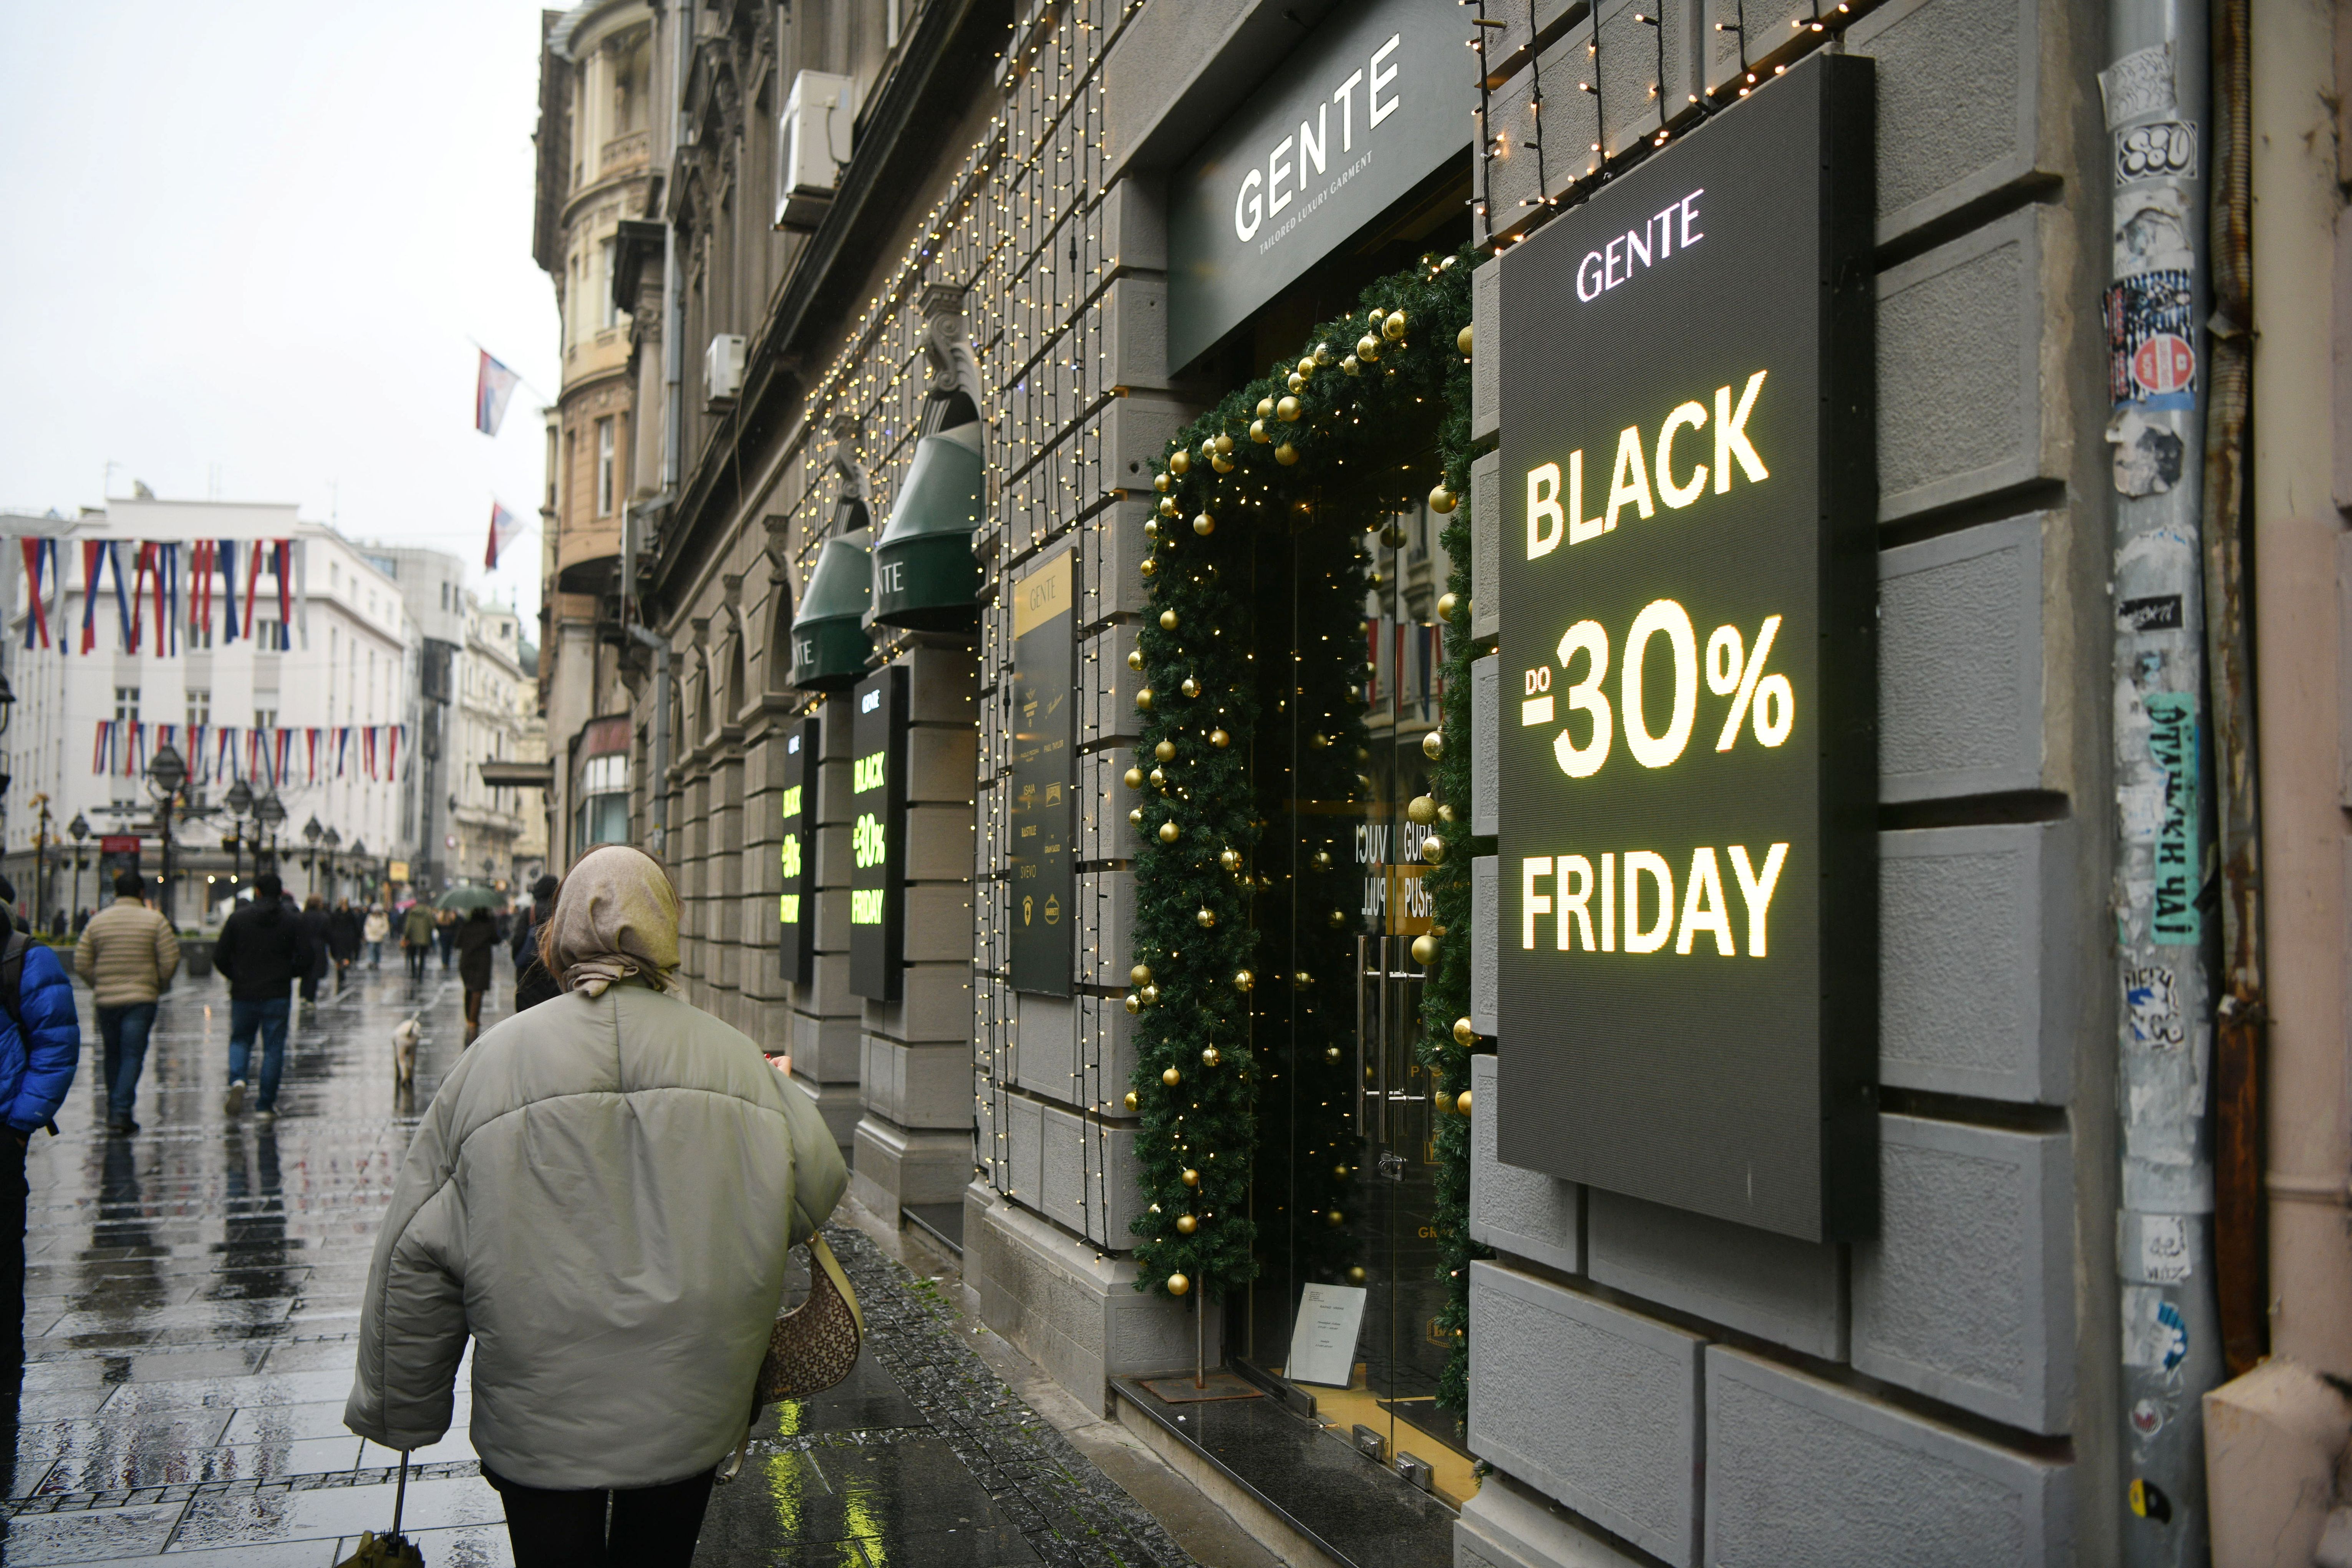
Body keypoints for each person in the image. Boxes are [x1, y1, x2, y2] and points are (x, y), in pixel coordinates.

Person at [346, 846, 845, 1568]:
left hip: (540, 1413)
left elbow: (413, 1253)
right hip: (689, 1400)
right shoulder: (734, 1058)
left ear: (560, 932)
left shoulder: (490, 1065)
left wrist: (402, 1406)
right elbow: (817, 1186)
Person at [0, 909, 79, 1394]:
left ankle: (6, 1365)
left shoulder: (25, 958)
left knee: (4, 1255)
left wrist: (18, 1123)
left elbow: (57, 1044)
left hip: (2, 1127)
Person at [72, 871, 181, 1136]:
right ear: (142, 893)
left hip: (107, 1001)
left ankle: (115, 1109)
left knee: (113, 1054)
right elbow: (170, 960)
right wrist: (157, 983)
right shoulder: (155, 921)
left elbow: (81, 962)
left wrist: (99, 984)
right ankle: (121, 1112)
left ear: (116, 893)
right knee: (132, 1054)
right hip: (141, 1000)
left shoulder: (98, 922)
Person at [214, 873, 313, 1122]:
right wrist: (289, 973)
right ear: (280, 894)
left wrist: (236, 975)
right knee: (273, 1048)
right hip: (277, 993)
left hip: (244, 993)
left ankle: (238, 1079)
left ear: (257, 892)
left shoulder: (238, 920)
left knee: (240, 1040)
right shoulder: (292, 922)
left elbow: (220, 956)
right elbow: (306, 957)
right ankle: (265, 1105)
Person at [512, 875, 562, 1013]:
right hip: (552, 972)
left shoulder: (530, 912)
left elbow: (517, 941)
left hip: (529, 972)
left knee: (527, 1014)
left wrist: (519, 961)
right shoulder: (559, 912)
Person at [456, 905, 496, 1045]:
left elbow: (457, 943)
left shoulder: (467, 926)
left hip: (467, 961)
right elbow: (497, 939)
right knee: (477, 991)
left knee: (469, 988)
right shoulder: (488, 925)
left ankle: (469, 1018)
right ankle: (473, 1021)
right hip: (482, 962)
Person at [297, 895, 332, 1004]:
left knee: (305, 973)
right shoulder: (324, 917)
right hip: (318, 948)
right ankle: (310, 998)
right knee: (314, 974)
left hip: (304, 946)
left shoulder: (302, 916)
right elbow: (329, 935)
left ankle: (303, 994)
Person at [329, 900, 363, 988]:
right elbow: (331, 926)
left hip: (347, 940)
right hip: (338, 940)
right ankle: (341, 973)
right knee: (340, 958)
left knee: (345, 958)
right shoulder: (336, 914)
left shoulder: (350, 915)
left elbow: (356, 927)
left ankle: (342, 972)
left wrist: (359, 936)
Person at [400, 901, 434, 981]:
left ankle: (413, 973)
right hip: (425, 938)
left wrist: (406, 936)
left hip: (413, 938)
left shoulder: (412, 914)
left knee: (413, 956)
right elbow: (432, 925)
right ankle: (420, 974)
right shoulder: (428, 914)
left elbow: (408, 927)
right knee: (422, 957)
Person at [363, 905, 390, 969]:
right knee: (371, 949)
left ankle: (377, 962)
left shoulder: (383, 918)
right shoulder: (370, 917)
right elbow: (367, 926)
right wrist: (368, 933)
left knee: (378, 950)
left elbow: (386, 927)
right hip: (371, 937)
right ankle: (372, 961)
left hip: (379, 937)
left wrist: (382, 932)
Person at [435, 907, 457, 971]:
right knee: (448, 950)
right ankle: (447, 962)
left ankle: (444, 963)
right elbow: (455, 926)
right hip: (450, 936)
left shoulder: (441, 918)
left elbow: (438, 926)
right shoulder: (451, 917)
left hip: (443, 936)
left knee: (444, 950)